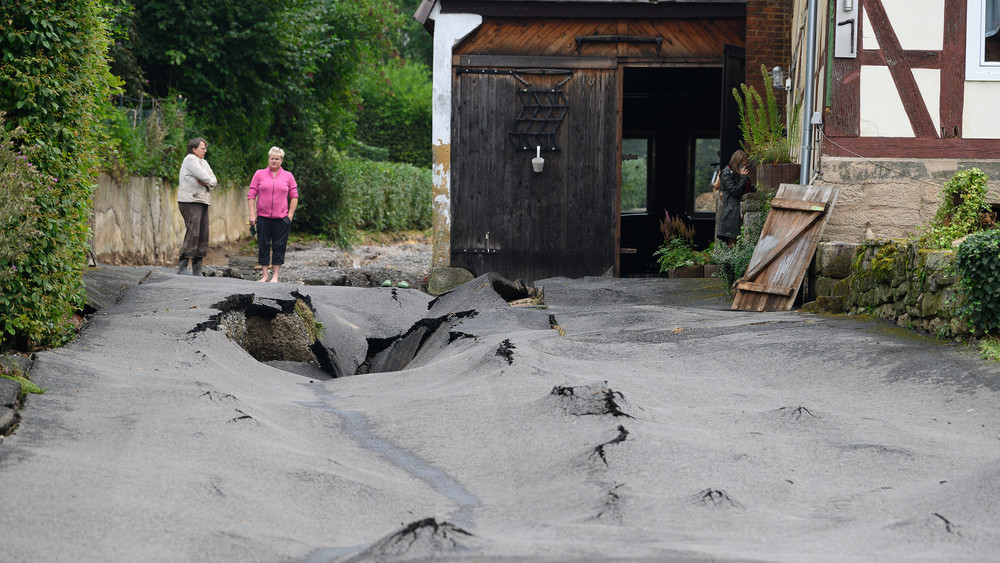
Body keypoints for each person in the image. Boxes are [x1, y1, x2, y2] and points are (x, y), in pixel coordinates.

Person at [247, 146, 298, 283]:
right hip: (263, 217)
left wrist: (290, 215)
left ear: (281, 160)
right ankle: (264, 275)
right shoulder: (259, 174)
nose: (274, 161)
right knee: (263, 244)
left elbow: (294, 196)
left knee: (279, 246)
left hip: (282, 218)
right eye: (272, 158)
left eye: (277, 158)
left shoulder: (288, 176)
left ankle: (275, 276)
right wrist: (252, 214)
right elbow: (251, 195)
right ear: (268, 159)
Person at [176, 138, 217, 276]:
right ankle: (182, 266)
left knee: (203, 234)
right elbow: (204, 176)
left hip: (203, 200)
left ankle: (197, 268)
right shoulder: (190, 159)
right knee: (193, 232)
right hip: (190, 200)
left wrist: (208, 183)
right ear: (194, 149)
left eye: (205, 148)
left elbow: (213, 180)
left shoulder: (204, 162)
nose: (205, 151)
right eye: (202, 148)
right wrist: (208, 181)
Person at [716, 149, 754, 247]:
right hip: (732, 212)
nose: (745, 167)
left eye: (746, 165)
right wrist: (743, 178)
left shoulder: (741, 175)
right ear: (738, 163)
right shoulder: (726, 174)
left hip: (743, 209)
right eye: (743, 164)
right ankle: (731, 261)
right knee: (733, 241)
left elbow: (749, 189)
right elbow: (734, 191)